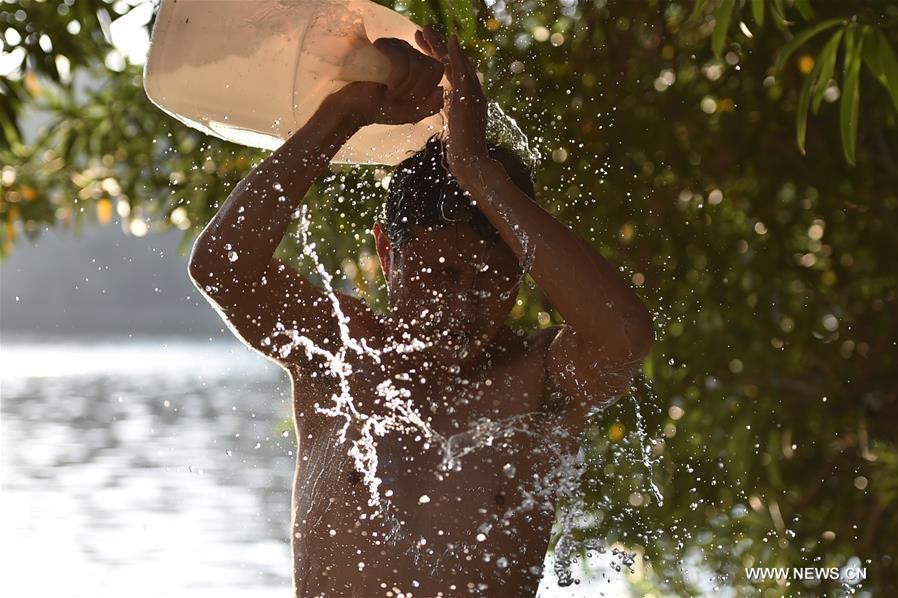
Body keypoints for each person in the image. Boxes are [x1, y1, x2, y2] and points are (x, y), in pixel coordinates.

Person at [188, 26, 654, 598]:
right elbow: (223, 267)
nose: (462, 304)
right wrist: (344, 113)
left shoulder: (541, 379)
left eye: (493, 279)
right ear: (387, 251)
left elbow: (625, 332)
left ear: (525, 268)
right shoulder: (339, 349)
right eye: (441, 275)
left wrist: (478, 169)